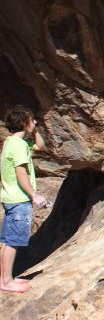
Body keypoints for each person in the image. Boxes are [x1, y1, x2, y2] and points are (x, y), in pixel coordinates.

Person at [0, 106, 47, 293]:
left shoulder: (12, 142)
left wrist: (34, 130)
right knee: (13, 242)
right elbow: (21, 172)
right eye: (31, 120)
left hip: (10, 197)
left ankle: (4, 278)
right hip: (19, 199)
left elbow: (40, 146)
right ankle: (6, 281)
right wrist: (34, 195)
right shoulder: (19, 146)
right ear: (23, 123)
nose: (34, 122)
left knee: (6, 240)